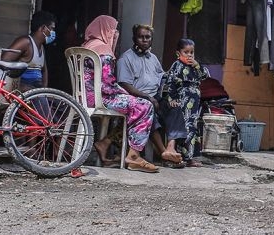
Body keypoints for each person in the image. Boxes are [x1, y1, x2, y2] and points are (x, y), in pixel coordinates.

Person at [81, 15, 160, 173]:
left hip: (85, 96)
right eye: (113, 29)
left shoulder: (88, 45)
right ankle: (134, 156)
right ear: (105, 30)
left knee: (135, 105)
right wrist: (126, 93)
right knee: (144, 106)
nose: (115, 33)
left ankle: (105, 144)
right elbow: (108, 86)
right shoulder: (104, 50)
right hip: (101, 98)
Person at [116, 24, 178, 164]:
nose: (144, 40)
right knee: (149, 111)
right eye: (141, 37)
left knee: (175, 109)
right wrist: (148, 97)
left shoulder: (153, 58)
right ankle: (163, 152)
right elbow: (125, 85)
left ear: (151, 39)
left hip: (155, 97)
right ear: (134, 38)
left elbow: (162, 76)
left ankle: (170, 147)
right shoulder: (125, 59)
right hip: (137, 99)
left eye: (147, 37)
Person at [160, 38, 210, 166]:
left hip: (195, 101)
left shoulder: (195, 67)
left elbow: (205, 76)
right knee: (185, 128)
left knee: (193, 128)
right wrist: (172, 99)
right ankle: (180, 156)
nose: (189, 55)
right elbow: (170, 83)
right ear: (178, 53)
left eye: (191, 52)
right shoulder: (177, 65)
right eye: (186, 52)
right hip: (183, 99)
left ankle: (190, 157)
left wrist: (197, 64)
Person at [3, 11, 55, 91]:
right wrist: (18, 86)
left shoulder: (41, 47)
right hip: (23, 90)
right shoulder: (25, 42)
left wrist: (43, 90)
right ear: (43, 28)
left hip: (36, 90)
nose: (53, 33)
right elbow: (4, 61)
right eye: (52, 29)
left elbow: (44, 71)